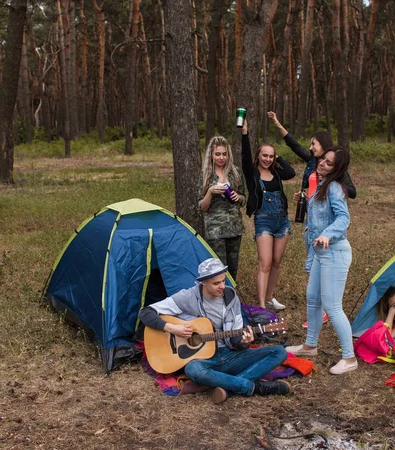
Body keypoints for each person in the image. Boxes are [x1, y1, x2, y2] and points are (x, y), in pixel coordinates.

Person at [138, 258, 291, 404]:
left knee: (279, 352)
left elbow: (235, 340)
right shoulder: (187, 297)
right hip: (203, 360)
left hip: (229, 355)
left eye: (223, 281)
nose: (222, 287)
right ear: (203, 282)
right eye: (216, 283)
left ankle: (227, 387)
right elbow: (145, 313)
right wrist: (172, 328)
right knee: (193, 370)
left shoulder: (231, 298)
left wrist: (244, 342)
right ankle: (252, 387)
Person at [268, 111, 357, 327]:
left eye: (314, 144)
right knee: (311, 266)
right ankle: (317, 313)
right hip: (310, 221)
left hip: (325, 226)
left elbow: (351, 191)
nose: (310, 147)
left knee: (320, 267)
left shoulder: (332, 168)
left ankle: (325, 311)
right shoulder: (311, 162)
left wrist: (330, 188)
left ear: (324, 146)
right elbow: (293, 144)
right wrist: (277, 124)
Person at [285, 147, 358, 375]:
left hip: (334, 251)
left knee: (332, 306)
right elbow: (320, 215)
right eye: (323, 160)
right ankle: (310, 345)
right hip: (320, 252)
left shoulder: (335, 188)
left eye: (329, 163)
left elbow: (343, 218)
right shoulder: (322, 186)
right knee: (313, 299)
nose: (323, 164)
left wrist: (328, 234)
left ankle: (349, 357)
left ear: (337, 169)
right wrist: (306, 201)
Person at [241, 119, 296, 311]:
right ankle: (263, 305)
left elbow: (291, 172)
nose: (267, 159)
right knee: (264, 263)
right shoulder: (252, 174)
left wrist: (279, 158)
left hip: (282, 222)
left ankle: (271, 297)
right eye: (264, 156)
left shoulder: (277, 174)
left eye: (271, 156)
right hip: (263, 221)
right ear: (258, 156)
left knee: (276, 262)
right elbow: (246, 157)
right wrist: (245, 134)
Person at [198, 136, 247, 280]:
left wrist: (239, 197)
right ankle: (218, 299)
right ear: (211, 155)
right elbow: (202, 206)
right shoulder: (206, 175)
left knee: (232, 268)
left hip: (234, 228)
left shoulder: (235, 172)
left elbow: (244, 198)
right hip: (215, 230)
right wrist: (210, 192)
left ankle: (230, 296)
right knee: (218, 269)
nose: (221, 157)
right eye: (217, 154)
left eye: (224, 154)